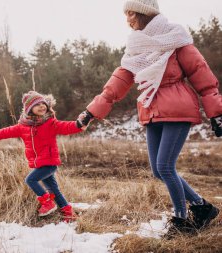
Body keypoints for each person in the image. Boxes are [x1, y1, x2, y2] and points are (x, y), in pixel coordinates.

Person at [77, 0, 221, 239]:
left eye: (131, 14)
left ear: (144, 13)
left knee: (165, 166)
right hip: (151, 109)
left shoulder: (175, 39)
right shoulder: (136, 46)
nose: (128, 19)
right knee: (157, 169)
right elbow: (120, 80)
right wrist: (92, 111)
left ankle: (181, 220)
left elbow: (201, 74)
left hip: (177, 108)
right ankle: (202, 207)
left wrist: (217, 113)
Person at [0, 91, 86, 222]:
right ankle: (69, 214)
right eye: (38, 105)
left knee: (30, 180)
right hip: (39, 163)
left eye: (43, 103)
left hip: (49, 162)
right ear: (30, 109)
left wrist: (79, 124)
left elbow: (66, 126)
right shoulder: (23, 126)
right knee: (53, 189)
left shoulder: (50, 123)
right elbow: (6, 131)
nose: (42, 106)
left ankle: (48, 203)